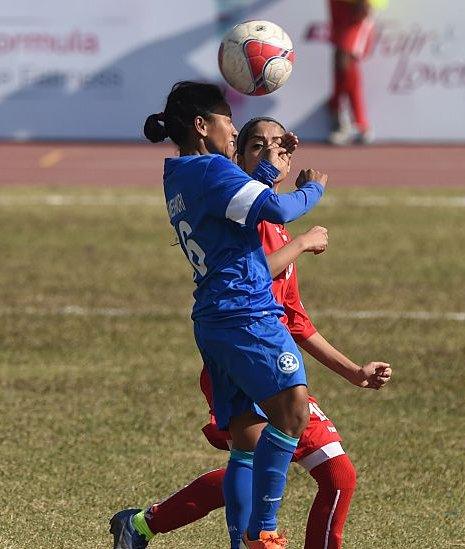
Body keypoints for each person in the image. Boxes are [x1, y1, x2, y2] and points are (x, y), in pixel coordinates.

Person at [111, 117, 392, 549]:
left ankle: (145, 525)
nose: (269, 152)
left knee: (308, 472)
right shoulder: (242, 213)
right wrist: (300, 242)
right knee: (305, 472)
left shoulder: (273, 220)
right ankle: (238, 534)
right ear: (237, 157)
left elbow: (296, 320)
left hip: (266, 351)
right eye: (255, 146)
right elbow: (250, 275)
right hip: (249, 354)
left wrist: (353, 371)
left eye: (276, 145)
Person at [141, 81, 326, 549]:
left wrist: (268, 166)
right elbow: (276, 207)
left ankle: (241, 541)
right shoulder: (211, 171)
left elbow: (240, 202)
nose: (233, 126)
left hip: (215, 319)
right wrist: (313, 190)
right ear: (202, 126)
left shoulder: (182, 173)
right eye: (227, 118)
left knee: (246, 440)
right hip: (246, 311)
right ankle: (262, 530)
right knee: (292, 411)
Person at [326, 0, 377, 145]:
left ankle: (354, 121)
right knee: (340, 61)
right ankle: (347, 118)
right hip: (338, 5)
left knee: (345, 59)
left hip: (356, 6)